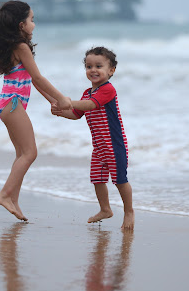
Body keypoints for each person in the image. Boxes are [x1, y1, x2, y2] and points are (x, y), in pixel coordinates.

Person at [0, 0, 72, 221]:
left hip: (8, 105)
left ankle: (13, 199)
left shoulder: (15, 47)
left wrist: (52, 101)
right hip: (13, 105)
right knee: (30, 153)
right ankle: (5, 194)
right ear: (20, 25)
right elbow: (38, 77)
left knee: (21, 155)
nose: (33, 24)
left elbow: (32, 82)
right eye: (31, 20)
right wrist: (62, 98)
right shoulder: (22, 47)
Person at [51, 47, 134, 229]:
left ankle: (129, 212)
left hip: (114, 144)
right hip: (99, 147)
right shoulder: (86, 93)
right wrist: (61, 112)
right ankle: (105, 209)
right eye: (89, 66)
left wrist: (68, 102)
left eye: (99, 66)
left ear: (111, 70)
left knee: (120, 179)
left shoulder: (108, 90)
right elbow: (76, 114)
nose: (93, 70)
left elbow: (90, 105)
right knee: (97, 179)